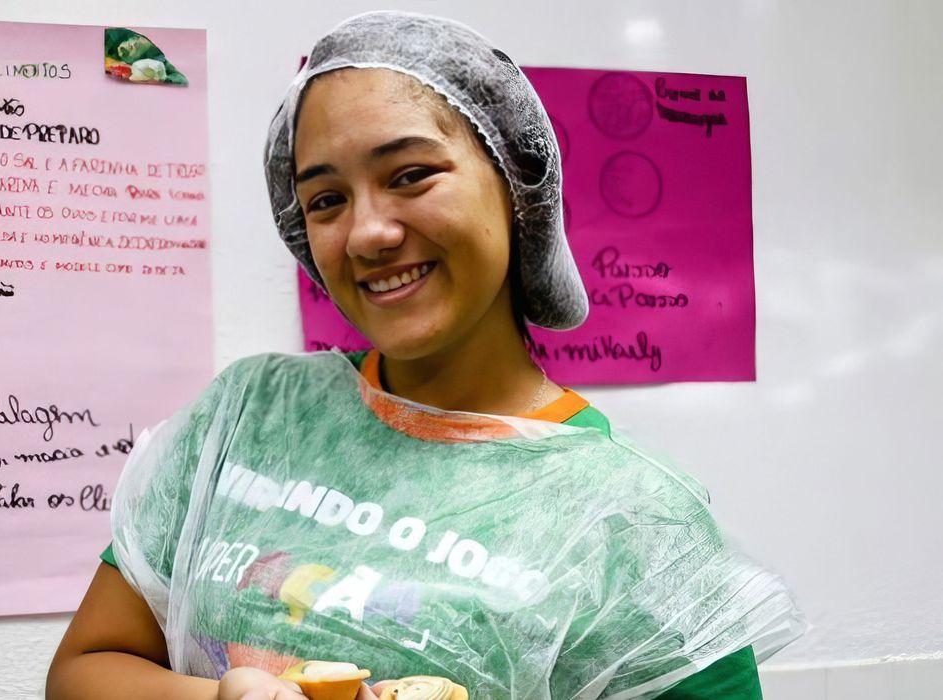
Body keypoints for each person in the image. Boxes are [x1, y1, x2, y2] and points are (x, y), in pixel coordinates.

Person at [47, 12, 803, 700]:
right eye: (326, 200)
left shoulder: (631, 520)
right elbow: (85, 669)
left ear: (515, 185)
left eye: (410, 175)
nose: (367, 233)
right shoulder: (248, 417)